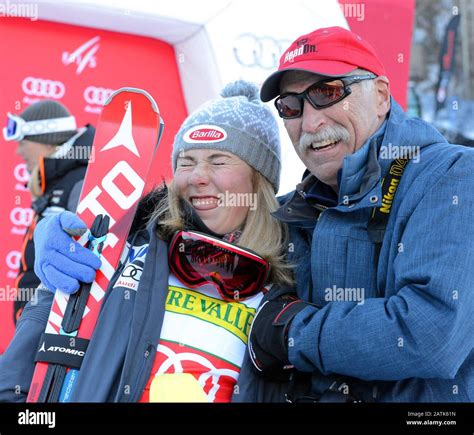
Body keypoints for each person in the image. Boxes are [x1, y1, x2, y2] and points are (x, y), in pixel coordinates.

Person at [0, 81, 295, 402]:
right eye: (186, 161)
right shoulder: (120, 250)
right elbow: (16, 381)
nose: (197, 176)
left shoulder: (288, 277)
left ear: (259, 179)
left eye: (218, 160)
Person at [245, 26, 474, 402]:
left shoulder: (453, 177)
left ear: (381, 96)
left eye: (327, 92)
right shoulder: (293, 211)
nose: (310, 121)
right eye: (291, 105)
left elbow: (430, 333)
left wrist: (292, 333)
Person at [3, 100, 95, 324]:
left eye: (23, 141)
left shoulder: (80, 181)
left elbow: (88, 257)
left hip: (52, 325)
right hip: (38, 321)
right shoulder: (60, 180)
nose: (18, 150)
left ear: (46, 139)